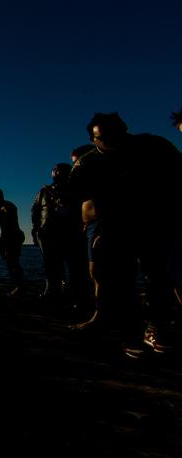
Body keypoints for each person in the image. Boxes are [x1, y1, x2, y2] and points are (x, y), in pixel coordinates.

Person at [70, 112, 182, 357]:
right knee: (121, 282)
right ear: (94, 140)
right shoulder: (87, 164)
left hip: (155, 224)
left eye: (118, 132)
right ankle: (131, 335)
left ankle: (157, 329)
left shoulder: (155, 146)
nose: (113, 140)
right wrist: (94, 228)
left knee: (159, 278)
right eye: (104, 137)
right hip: (113, 228)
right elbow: (75, 200)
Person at [31, 161, 90, 315]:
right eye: (55, 169)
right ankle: (53, 295)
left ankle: (80, 300)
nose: (57, 172)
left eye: (61, 169)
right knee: (51, 268)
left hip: (72, 234)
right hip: (48, 235)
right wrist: (36, 230)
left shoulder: (77, 190)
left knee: (76, 269)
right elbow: (35, 211)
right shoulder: (43, 192)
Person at [0, 187, 25, 296]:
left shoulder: (7, 207)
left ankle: (20, 287)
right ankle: (17, 285)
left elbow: (10, 226)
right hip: (8, 238)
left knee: (14, 262)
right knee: (10, 262)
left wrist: (5, 238)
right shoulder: (1, 208)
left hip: (13, 237)